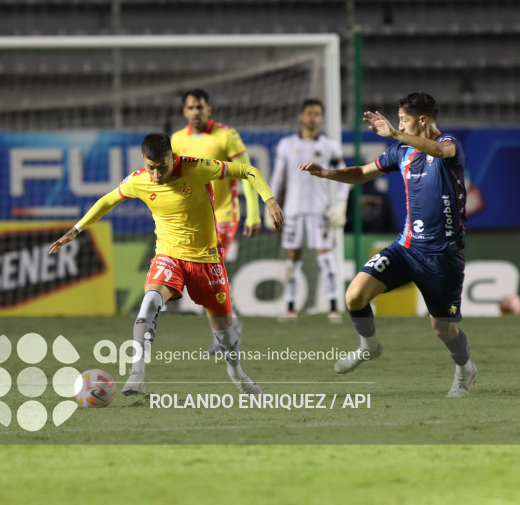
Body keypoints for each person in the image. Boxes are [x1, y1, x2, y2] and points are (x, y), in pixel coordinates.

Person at [49, 133, 284, 397]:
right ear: (144, 161)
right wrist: (77, 229)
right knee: (149, 302)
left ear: (173, 157)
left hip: (207, 260)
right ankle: (136, 374)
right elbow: (107, 200)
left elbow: (248, 171)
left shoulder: (197, 168)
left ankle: (236, 372)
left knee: (226, 334)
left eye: (163, 166)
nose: (158, 174)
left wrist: (270, 200)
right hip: (169, 256)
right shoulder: (138, 180)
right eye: (152, 167)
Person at [300, 91, 477, 398]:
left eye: (403, 121)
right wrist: (327, 174)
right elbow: (362, 173)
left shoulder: (450, 145)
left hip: (442, 257)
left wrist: (395, 134)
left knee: (443, 329)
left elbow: (440, 150)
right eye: (398, 121)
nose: (399, 126)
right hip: (406, 248)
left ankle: (465, 369)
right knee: (354, 295)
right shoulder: (401, 152)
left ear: (422, 120)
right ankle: (368, 346)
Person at [171, 88, 262, 354]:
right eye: (190, 108)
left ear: (208, 109)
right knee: (204, 276)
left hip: (223, 215)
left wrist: (253, 214)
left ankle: (225, 335)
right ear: (184, 112)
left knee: (208, 270)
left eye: (200, 107)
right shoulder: (176, 140)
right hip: (195, 219)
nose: (195, 112)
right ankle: (231, 328)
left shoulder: (227, 136)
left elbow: (248, 174)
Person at [268, 98, 349, 321]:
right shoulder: (287, 145)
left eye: (317, 114)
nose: (313, 118)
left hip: (320, 210)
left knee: (326, 259)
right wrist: (270, 203)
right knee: (293, 260)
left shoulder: (330, 146)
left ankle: (334, 307)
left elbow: (344, 175)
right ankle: (290, 307)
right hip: (293, 210)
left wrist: (340, 204)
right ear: (301, 117)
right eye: (309, 113)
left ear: (321, 119)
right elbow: (278, 177)